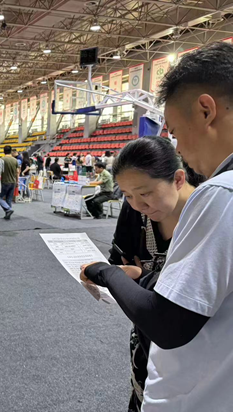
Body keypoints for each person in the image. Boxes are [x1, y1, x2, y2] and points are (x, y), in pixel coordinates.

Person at [80, 42, 233, 412]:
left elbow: (168, 323)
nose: (179, 147)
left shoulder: (220, 194)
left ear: (206, 111)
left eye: (176, 132)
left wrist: (105, 273)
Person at [106, 136, 204, 412]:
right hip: (147, 337)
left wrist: (141, 276)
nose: (138, 204)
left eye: (145, 193)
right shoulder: (135, 213)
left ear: (178, 179)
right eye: (127, 195)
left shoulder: (208, 213)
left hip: (199, 347)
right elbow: (119, 263)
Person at [0, 145, 19, 220]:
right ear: (11, 151)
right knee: (9, 199)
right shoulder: (15, 160)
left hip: (5, 181)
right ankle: (8, 214)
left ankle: (8, 209)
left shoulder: (2, 160)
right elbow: (17, 172)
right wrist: (17, 181)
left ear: (4, 151)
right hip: (13, 181)